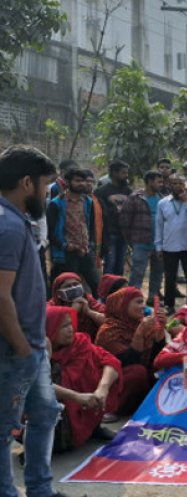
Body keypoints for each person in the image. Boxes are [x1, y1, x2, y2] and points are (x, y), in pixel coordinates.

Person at [0, 146, 69, 497]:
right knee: (4, 428)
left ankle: (40, 488)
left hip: (31, 345)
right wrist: (23, 347)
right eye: (45, 185)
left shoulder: (18, 222)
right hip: (15, 348)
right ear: (27, 182)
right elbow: (1, 297)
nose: (48, 193)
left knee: (45, 413)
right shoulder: (7, 227)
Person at [45, 306, 120, 451]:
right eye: (64, 326)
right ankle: (33, 445)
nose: (71, 329)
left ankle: (93, 427)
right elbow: (38, 384)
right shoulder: (37, 351)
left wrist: (102, 390)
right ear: (50, 328)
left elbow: (110, 361)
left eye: (70, 323)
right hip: (48, 412)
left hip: (84, 401)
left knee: (96, 369)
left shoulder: (79, 343)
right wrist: (76, 397)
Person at [95, 287, 163, 415]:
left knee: (163, 368)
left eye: (143, 302)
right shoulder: (109, 331)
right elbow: (126, 362)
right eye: (138, 302)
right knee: (137, 372)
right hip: (115, 382)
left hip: (139, 381)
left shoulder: (141, 324)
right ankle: (115, 408)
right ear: (122, 305)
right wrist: (138, 335)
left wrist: (160, 334)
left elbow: (155, 358)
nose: (143, 306)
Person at [47, 167, 100, 293]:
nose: (81, 184)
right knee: (66, 286)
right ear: (68, 182)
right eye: (77, 181)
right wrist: (64, 246)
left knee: (96, 284)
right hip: (66, 253)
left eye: (83, 181)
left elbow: (91, 225)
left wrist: (91, 244)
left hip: (85, 250)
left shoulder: (88, 202)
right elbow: (50, 230)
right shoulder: (56, 203)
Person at [120, 170, 164, 300]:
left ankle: (153, 298)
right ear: (149, 182)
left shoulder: (162, 199)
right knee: (138, 272)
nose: (161, 184)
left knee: (157, 273)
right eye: (158, 182)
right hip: (141, 242)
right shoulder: (135, 198)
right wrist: (132, 240)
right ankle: (133, 298)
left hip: (159, 244)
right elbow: (124, 221)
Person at [156, 174, 187, 313]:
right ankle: (169, 305)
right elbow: (159, 225)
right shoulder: (163, 203)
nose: (177, 186)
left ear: (184, 185)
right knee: (170, 276)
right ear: (169, 185)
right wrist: (158, 246)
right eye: (174, 183)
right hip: (169, 246)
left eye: (180, 183)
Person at [95, 160, 133, 276]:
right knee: (110, 263)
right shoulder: (101, 191)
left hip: (124, 233)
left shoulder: (128, 190)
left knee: (120, 264)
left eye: (127, 173)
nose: (126, 176)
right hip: (109, 232)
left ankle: (118, 291)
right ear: (114, 173)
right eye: (123, 173)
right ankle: (107, 291)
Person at [48, 272, 106, 339]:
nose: (73, 288)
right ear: (59, 293)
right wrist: (73, 311)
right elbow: (52, 331)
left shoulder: (87, 299)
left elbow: (108, 322)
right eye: (68, 286)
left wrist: (89, 312)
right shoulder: (52, 306)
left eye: (75, 284)